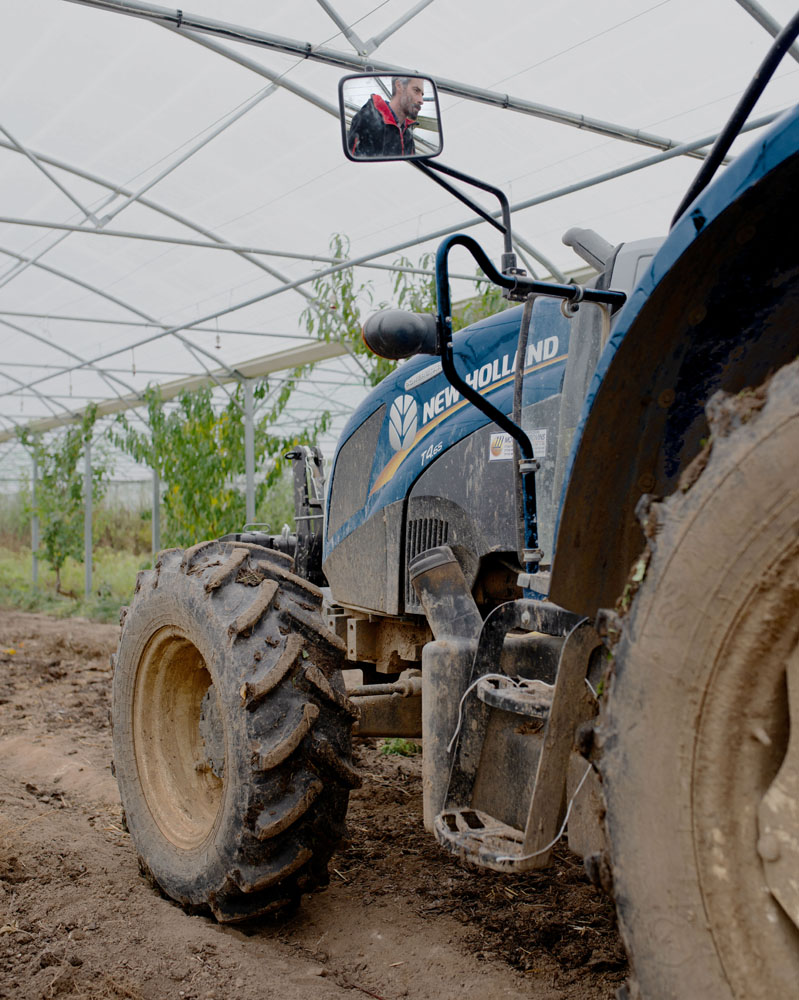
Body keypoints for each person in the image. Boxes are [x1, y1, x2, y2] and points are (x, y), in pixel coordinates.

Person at [347, 77, 425, 158]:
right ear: (399, 86)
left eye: (422, 94)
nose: (421, 100)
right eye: (416, 90)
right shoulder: (367, 119)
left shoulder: (407, 135)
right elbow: (349, 162)